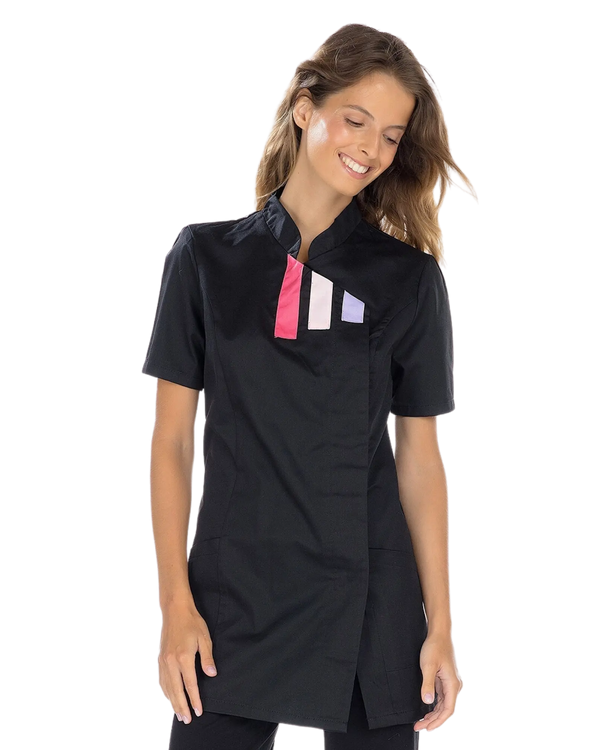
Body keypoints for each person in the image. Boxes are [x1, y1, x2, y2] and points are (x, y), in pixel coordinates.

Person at [139, 19, 479, 750]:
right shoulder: (205, 258)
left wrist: (442, 624)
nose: (371, 148)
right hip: (236, 591)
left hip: (371, 598)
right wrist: (175, 606)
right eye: (356, 120)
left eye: (391, 136)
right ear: (304, 108)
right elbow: (171, 446)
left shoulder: (409, 279)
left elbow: (421, 460)